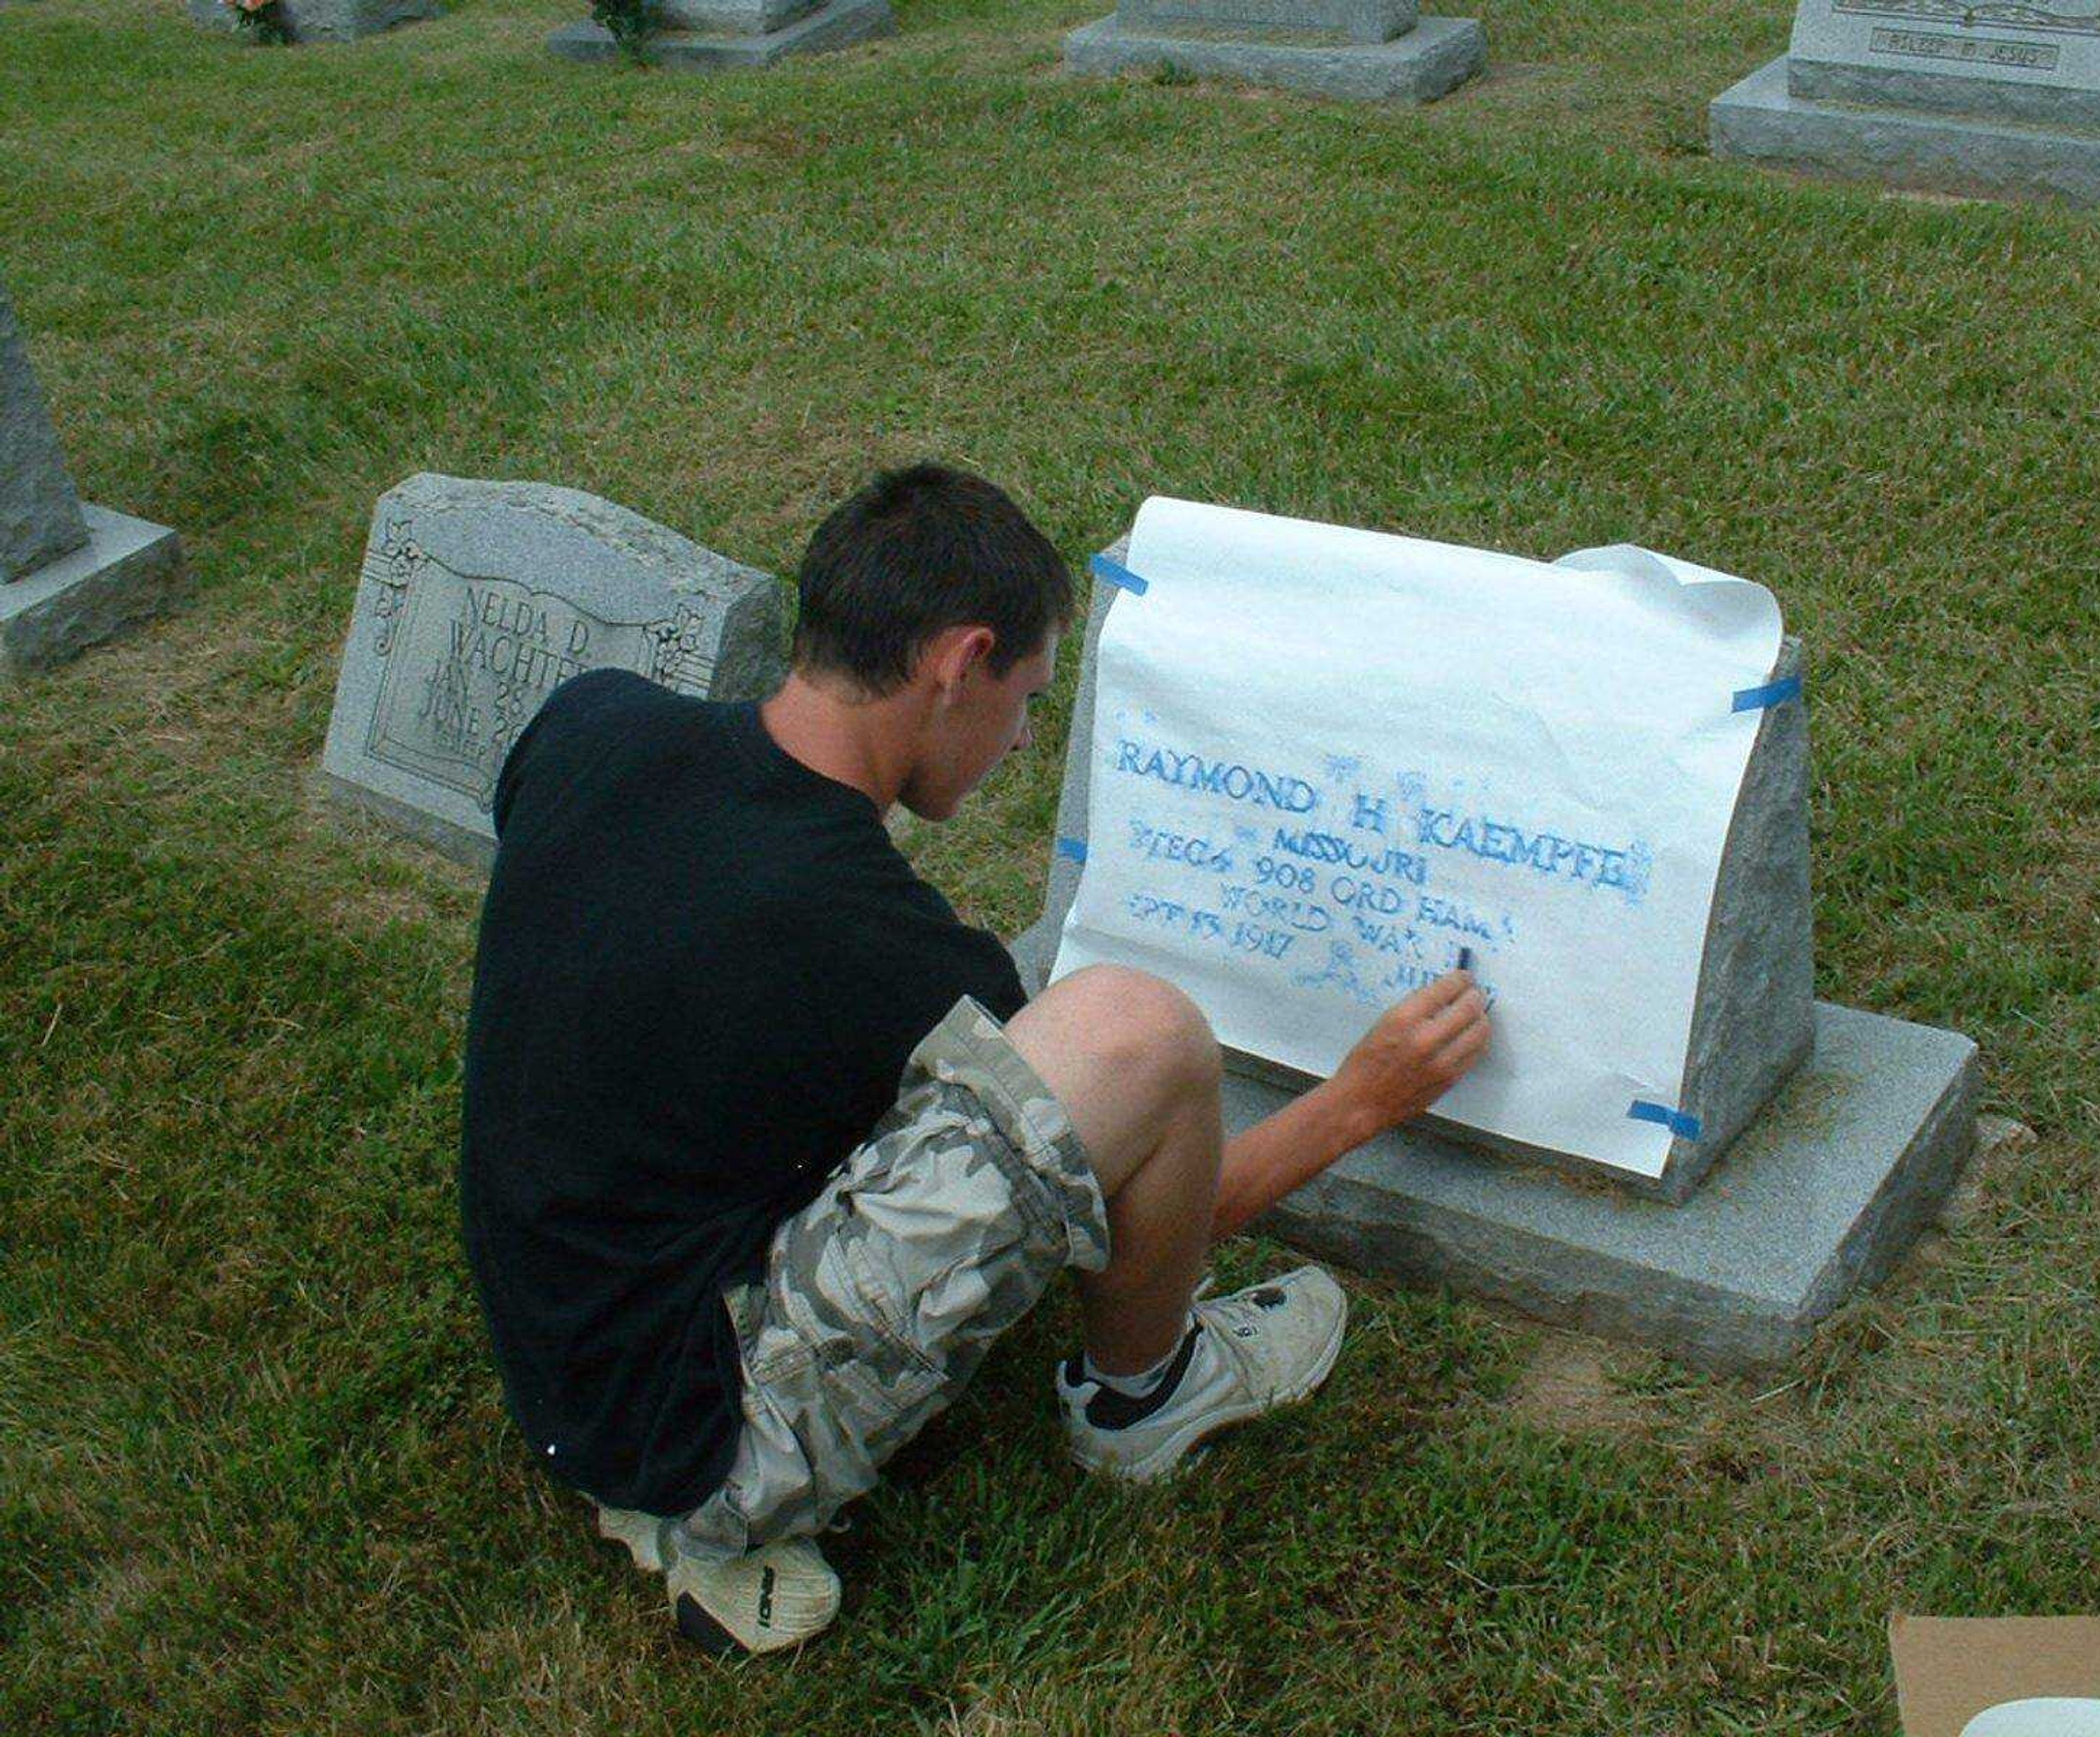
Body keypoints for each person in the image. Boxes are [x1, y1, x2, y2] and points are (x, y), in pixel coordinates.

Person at [460, 463, 1493, 1659]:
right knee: (1137, 1037)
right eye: (1030, 699)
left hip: (553, 1343)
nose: (1022, 739)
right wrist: (1361, 1102)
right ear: (960, 666)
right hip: (692, 1441)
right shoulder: (882, 951)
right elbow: (1121, 1235)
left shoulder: (594, 721)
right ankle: (1152, 1397)